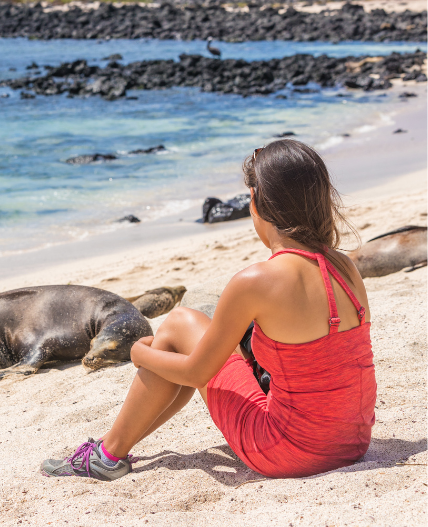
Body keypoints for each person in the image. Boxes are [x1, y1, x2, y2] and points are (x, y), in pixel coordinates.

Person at [41, 139, 377, 481]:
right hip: (351, 443)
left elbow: (194, 374)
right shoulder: (344, 267)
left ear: (257, 203)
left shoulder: (257, 281)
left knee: (177, 325)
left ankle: (108, 454)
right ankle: (110, 450)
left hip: (289, 452)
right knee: (194, 334)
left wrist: (138, 352)